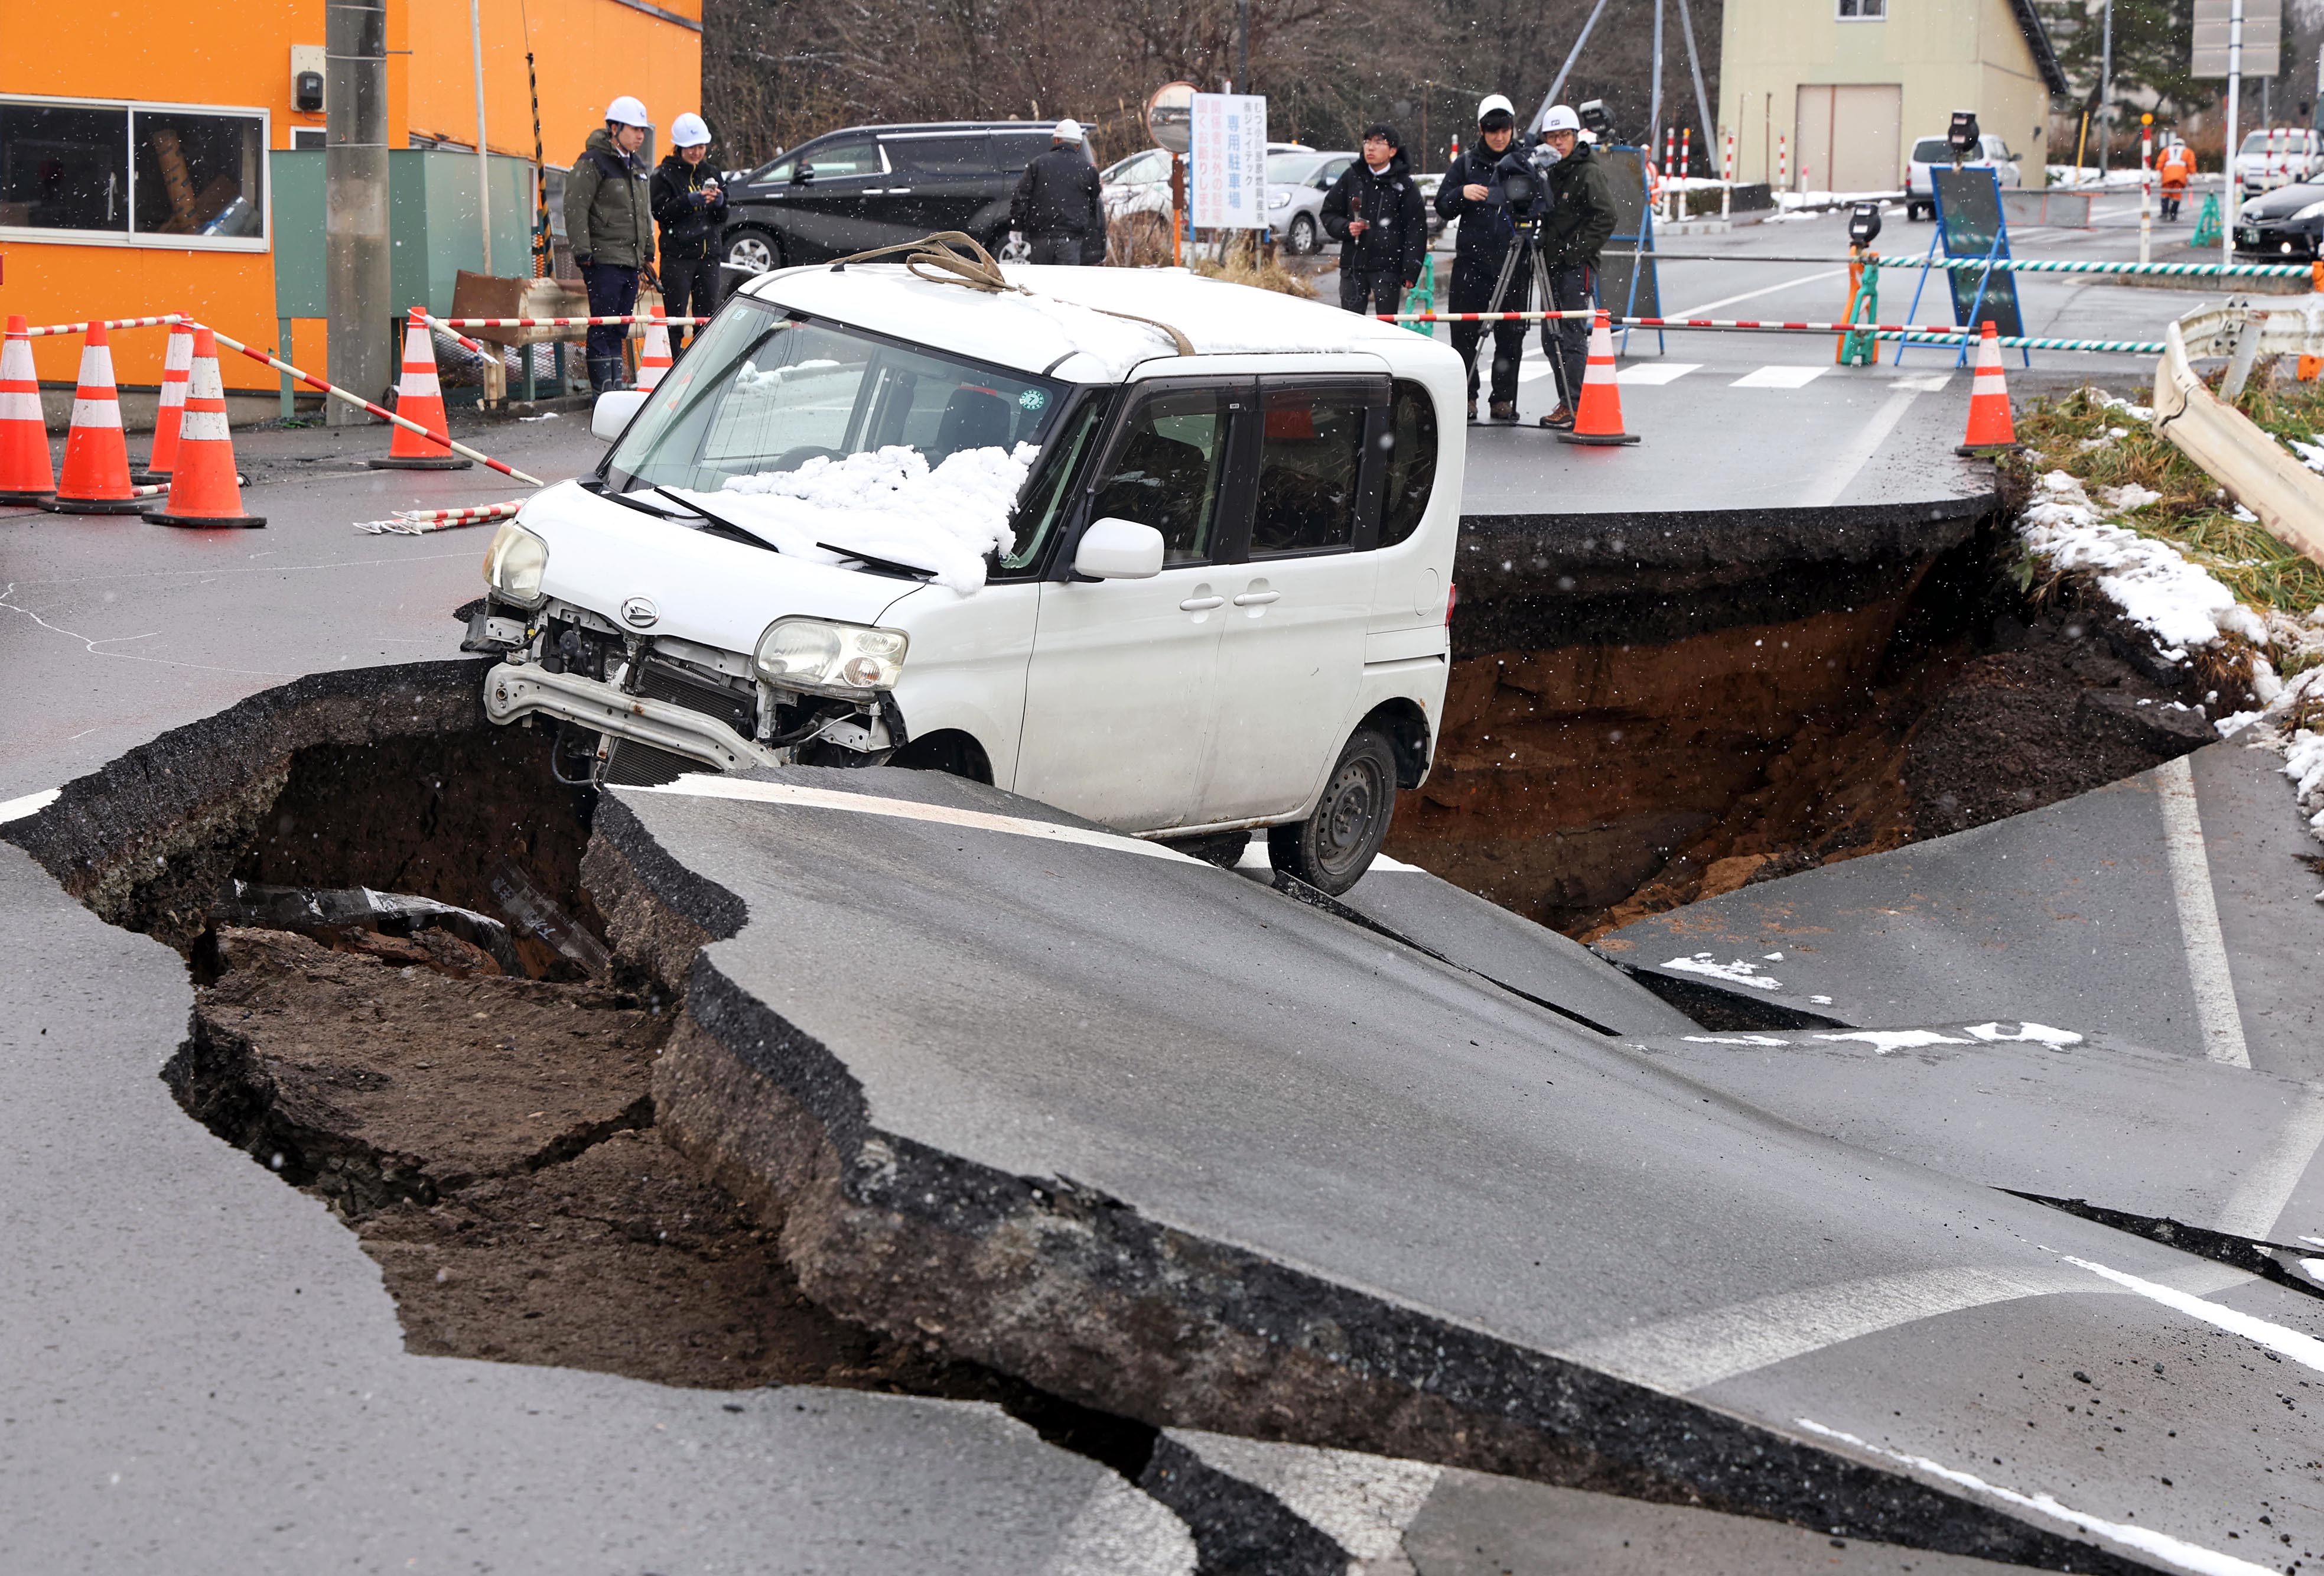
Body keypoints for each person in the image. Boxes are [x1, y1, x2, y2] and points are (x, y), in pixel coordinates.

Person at [1436, 93, 1527, 421]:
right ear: (1481, 129)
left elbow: (1540, 202)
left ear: (1513, 128)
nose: (1499, 136)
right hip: (1471, 262)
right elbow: (1442, 206)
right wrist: (1462, 193)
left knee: (1511, 335)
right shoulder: (1465, 163)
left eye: (1504, 129)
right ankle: (1467, 396)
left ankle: (1503, 399)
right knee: (1463, 333)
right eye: (1492, 129)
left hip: (1514, 261)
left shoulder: (1524, 161)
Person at [1531, 104, 1617, 431]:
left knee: (1570, 336)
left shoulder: (1587, 171)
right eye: (1552, 137)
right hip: (1549, 263)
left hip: (1574, 266)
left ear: (1574, 136)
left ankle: (1576, 404)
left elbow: (1606, 217)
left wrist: (1574, 252)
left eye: (1563, 136)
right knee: (1550, 337)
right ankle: (1567, 400)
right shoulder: (1546, 170)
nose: (1558, 143)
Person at [565, 95, 656, 391]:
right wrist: (583, 251)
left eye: (642, 130)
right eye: (634, 129)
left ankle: (615, 387)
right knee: (602, 326)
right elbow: (575, 207)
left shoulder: (638, 166)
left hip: (630, 261)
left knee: (619, 328)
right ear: (615, 128)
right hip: (603, 260)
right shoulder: (592, 161)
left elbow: (645, 211)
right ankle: (602, 391)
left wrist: (647, 250)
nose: (640, 135)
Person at [1322, 122, 1427, 319]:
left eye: (1379, 143)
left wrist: (1411, 270)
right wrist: (1346, 228)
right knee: (1350, 325)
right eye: (1368, 142)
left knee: (1385, 326)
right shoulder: (1352, 176)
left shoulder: (1404, 184)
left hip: (1387, 267)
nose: (1371, 147)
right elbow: (1328, 213)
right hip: (1353, 264)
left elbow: (1416, 229)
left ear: (1393, 151)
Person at [651, 112, 728, 347]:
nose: (696, 152)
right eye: (691, 148)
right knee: (674, 321)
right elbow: (661, 212)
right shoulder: (664, 174)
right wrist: (689, 201)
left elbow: (723, 218)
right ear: (679, 147)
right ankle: (673, 366)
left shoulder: (712, 173)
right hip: (678, 258)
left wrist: (720, 202)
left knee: (705, 321)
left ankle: (699, 371)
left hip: (709, 257)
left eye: (701, 147)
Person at [1011, 119, 1105, 264]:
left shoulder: (1038, 164)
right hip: (1071, 238)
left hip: (1040, 236)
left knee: (1040, 282)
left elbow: (1021, 197)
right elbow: (1094, 198)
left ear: (1056, 140)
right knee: (1065, 283)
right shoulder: (1088, 170)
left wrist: (1016, 226)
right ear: (1078, 145)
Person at [2157, 135, 2196, 222]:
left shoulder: (2166, 150)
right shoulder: (2188, 151)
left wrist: (2159, 171)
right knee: (2177, 195)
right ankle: (2173, 214)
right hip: (2180, 175)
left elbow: (2160, 162)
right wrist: (2192, 175)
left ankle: (2164, 212)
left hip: (2167, 173)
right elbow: (2191, 165)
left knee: (2165, 194)